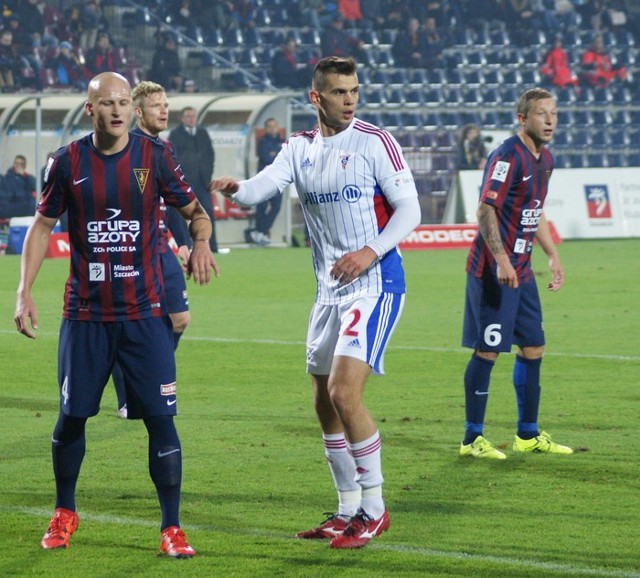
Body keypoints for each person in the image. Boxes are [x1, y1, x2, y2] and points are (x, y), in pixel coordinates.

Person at [210, 56, 421, 549]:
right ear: (316, 97)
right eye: (340, 92)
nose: (350, 99)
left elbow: (409, 210)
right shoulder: (299, 148)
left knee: (345, 394)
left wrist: (369, 252)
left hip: (377, 284)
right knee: (324, 402)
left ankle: (374, 508)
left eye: (354, 90)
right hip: (329, 290)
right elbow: (263, 187)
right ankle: (346, 508)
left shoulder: (374, 142)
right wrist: (236, 189)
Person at [14, 71, 218, 557]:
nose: (118, 110)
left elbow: (195, 211)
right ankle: (64, 511)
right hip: (85, 316)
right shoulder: (65, 162)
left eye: (124, 102)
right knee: (72, 417)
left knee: (161, 420)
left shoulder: (157, 156)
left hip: (145, 315)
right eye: (107, 103)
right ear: (91, 110)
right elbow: (42, 226)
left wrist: (203, 242)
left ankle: (171, 527)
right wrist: (23, 292)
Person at [460, 87, 573, 460]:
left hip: (522, 272)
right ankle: (472, 438)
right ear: (522, 118)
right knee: (489, 350)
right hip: (494, 272)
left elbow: (534, 212)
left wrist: (553, 255)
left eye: (553, 113)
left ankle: (527, 434)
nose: (550, 120)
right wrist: (502, 260)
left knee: (533, 347)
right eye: (542, 113)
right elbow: (484, 210)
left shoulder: (546, 160)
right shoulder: (508, 156)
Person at [112, 80, 193, 418]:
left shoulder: (164, 149)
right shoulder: (126, 149)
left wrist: (185, 243)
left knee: (179, 319)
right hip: (132, 252)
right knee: (133, 324)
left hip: (161, 249)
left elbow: (172, 202)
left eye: (166, 105)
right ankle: (129, 396)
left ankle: (148, 375)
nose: (164, 110)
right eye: (157, 105)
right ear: (139, 112)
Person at [169, 107, 218, 252]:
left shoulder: (203, 133)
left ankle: (212, 246)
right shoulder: (176, 134)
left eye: (193, 116)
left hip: (203, 182)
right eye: (188, 116)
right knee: (184, 214)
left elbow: (210, 155)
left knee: (208, 212)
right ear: (182, 118)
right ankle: (187, 246)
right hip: (185, 182)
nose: (191, 118)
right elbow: (172, 157)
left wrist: (208, 175)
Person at [248, 117, 284, 245]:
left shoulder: (282, 141)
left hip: (278, 180)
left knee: (276, 207)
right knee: (261, 207)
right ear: (266, 128)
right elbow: (266, 157)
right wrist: (275, 156)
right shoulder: (263, 141)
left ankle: (260, 231)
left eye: (274, 125)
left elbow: (283, 158)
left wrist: (274, 155)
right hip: (264, 179)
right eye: (269, 126)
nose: (272, 128)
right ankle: (260, 232)